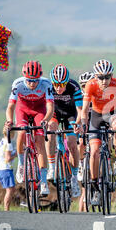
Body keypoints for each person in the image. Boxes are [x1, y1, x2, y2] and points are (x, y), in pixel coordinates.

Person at [80, 59, 116, 206]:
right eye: (100, 77)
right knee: (94, 152)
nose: (104, 80)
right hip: (96, 115)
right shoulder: (91, 84)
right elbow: (85, 108)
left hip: (112, 113)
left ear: (111, 76)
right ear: (95, 77)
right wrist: (83, 124)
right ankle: (95, 187)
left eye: (107, 77)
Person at [5, 61, 54, 196]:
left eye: (35, 81)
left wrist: (45, 120)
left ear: (40, 78)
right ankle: (21, 165)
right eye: (29, 81)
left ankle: (43, 181)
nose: (32, 84)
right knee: (21, 132)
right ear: (24, 77)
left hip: (39, 110)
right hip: (23, 109)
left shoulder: (46, 84)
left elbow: (50, 107)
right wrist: (9, 121)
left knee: (39, 142)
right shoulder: (18, 84)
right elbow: (11, 107)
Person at [46, 64, 82, 198]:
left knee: (72, 144)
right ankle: (51, 167)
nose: (58, 87)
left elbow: (80, 111)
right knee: (50, 133)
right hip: (54, 114)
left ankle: (73, 177)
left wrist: (78, 124)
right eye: (56, 84)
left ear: (67, 82)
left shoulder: (74, 87)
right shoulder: (48, 87)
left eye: (62, 84)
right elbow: (47, 108)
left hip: (70, 114)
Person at [77, 71, 95, 212]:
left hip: (96, 125)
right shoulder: (80, 97)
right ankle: (81, 165)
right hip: (84, 126)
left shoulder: (97, 96)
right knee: (81, 142)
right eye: (83, 85)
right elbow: (77, 114)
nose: (85, 88)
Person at [0, 126, 17, 211]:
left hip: (1, 168)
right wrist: (16, 154)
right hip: (6, 169)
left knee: (9, 189)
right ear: (11, 134)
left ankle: (6, 208)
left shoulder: (2, 141)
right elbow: (8, 158)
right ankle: (6, 209)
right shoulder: (8, 144)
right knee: (10, 190)